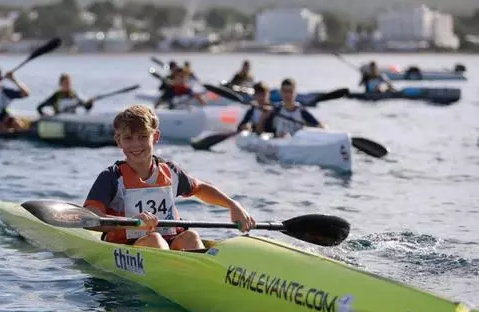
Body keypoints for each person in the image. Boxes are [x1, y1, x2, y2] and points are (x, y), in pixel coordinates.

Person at [83, 104, 256, 250]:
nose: (136, 144)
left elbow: (200, 189)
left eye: (143, 137)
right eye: (128, 138)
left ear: (155, 137)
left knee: (190, 236)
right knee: (155, 240)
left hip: (167, 243)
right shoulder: (111, 177)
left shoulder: (170, 171)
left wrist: (233, 205)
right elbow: (90, 217)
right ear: (118, 141)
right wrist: (130, 223)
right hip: (126, 247)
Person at [255, 78, 324, 138]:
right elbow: (260, 132)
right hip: (279, 144)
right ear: (280, 93)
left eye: (290, 91)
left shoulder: (302, 111)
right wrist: (263, 117)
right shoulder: (276, 110)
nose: (288, 95)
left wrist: (322, 126)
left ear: (295, 93)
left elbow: (318, 126)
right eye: (285, 91)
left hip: (296, 145)